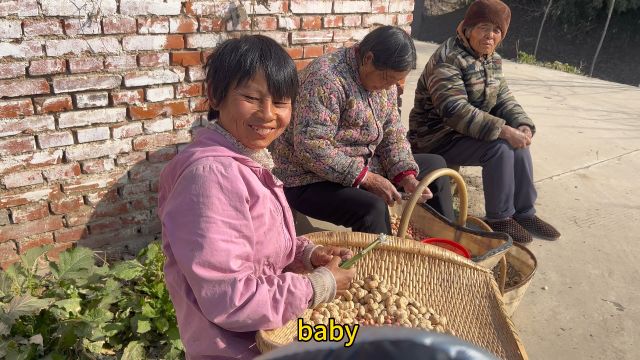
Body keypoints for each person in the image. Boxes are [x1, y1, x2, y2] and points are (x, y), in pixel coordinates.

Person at [158, 35, 356, 360]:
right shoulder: (211, 177)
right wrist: (316, 285)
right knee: (356, 344)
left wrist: (307, 255)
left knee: (357, 334)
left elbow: (258, 250)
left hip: (272, 325)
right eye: (251, 97)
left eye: (280, 102)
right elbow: (230, 298)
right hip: (237, 348)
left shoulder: (248, 159)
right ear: (215, 96)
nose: (267, 115)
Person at [272, 26, 455, 236]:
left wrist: (405, 175)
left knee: (434, 168)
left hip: (362, 165)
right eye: (387, 79)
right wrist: (366, 179)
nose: (389, 87)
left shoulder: (385, 84)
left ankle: (445, 245)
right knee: (372, 208)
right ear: (368, 59)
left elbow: (392, 132)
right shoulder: (326, 79)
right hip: (308, 179)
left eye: (395, 81)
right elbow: (312, 147)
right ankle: (382, 267)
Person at [408, 0, 561, 243]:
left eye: (497, 30)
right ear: (467, 29)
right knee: (499, 148)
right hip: (436, 137)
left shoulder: (492, 59)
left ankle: (524, 213)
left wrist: (521, 124)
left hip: (468, 133)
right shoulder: (448, 58)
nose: (490, 36)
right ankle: (499, 218)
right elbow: (454, 110)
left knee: (518, 144)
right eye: (483, 27)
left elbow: (503, 97)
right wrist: (502, 129)